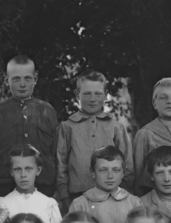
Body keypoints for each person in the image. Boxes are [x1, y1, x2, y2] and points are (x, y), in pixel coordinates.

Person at [56, 70, 133, 209]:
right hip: (77, 196)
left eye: (98, 93)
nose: (92, 99)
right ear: (77, 95)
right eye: (87, 93)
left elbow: (127, 164)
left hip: (111, 197)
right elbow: (60, 164)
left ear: (105, 94)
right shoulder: (67, 127)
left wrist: (121, 193)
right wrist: (64, 197)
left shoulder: (116, 127)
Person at [0, 55, 60, 197]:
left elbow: (55, 153)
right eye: (16, 79)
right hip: (5, 187)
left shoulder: (47, 111)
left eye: (27, 78)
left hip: (43, 185)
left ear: (35, 79)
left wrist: (57, 188)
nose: (22, 84)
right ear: (6, 80)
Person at [69, 146, 141, 223]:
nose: (110, 176)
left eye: (116, 170)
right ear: (92, 172)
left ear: (123, 172)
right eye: (103, 170)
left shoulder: (133, 202)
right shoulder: (81, 204)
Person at [0, 144, 64, 223]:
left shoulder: (49, 204)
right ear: (11, 172)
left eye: (28, 169)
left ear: (38, 170)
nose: (23, 175)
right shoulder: (2, 204)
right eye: (17, 169)